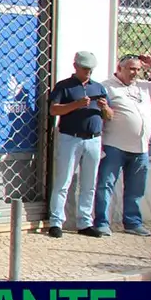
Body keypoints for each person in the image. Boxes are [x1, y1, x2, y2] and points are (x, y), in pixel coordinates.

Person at [94, 52, 151, 236]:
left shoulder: (143, 86)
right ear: (119, 69)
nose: (134, 73)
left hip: (141, 148)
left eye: (137, 69)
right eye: (130, 69)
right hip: (115, 145)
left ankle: (132, 222)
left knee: (136, 189)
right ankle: (102, 222)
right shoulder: (108, 86)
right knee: (106, 185)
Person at [47, 50, 112, 239]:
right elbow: (53, 110)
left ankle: (85, 222)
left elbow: (110, 115)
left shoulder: (98, 87)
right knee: (63, 181)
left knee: (89, 182)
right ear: (75, 66)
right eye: (85, 69)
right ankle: (56, 221)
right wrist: (76, 105)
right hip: (70, 138)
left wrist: (105, 108)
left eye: (91, 69)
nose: (88, 72)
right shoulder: (64, 87)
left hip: (93, 139)